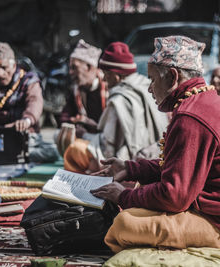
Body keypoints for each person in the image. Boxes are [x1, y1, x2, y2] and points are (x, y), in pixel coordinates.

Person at [91, 36, 220, 253]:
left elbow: (174, 197)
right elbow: (179, 168)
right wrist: (130, 168)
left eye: (152, 80)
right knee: (138, 196)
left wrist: (123, 196)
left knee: (124, 225)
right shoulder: (201, 102)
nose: (150, 89)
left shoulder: (191, 116)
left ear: (172, 76)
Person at [63, 41, 168, 173]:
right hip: (156, 154)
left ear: (117, 76)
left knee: (75, 149)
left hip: (130, 160)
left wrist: (85, 135)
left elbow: (108, 147)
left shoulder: (119, 100)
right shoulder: (145, 85)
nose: (105, 80)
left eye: (107, 75)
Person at [0, 42, 59, 163]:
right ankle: (10, 155)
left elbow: (35, 103)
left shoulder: (29, 82)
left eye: (4, 68)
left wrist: (26, 120)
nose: (0, 74)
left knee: (51, 152)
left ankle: (12, 154)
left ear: (14, 65)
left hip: (23, 137)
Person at [56, 39, 107, 155]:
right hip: (86, 137)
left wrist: (90, 124)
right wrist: (74, 122)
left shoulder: (108, 87)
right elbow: (64, 117)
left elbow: (111, 129)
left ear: (89, 67)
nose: (70, 72)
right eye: (70, 68)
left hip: (104, 138)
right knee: (58, 135)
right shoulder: (77, 90)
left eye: (74, 67)